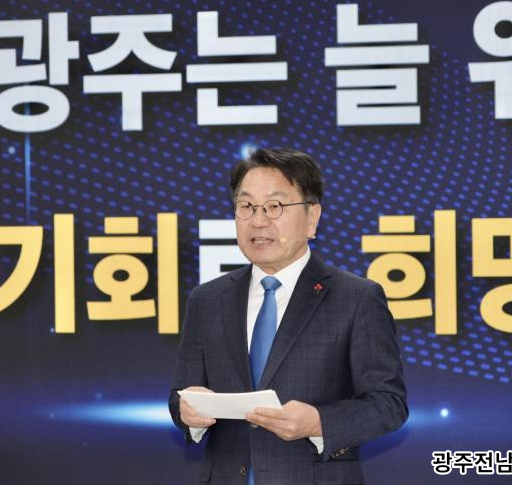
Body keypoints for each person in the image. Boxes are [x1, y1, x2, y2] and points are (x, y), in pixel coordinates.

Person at [169, 147, 407, 484]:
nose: (258, 220)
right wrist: (189, 414)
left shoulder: (356, 298)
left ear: (312, 217)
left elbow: (388, 404)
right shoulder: (206, 300)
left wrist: (318, 422)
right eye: (246, 206)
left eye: (275, 206)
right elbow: (180, 396)